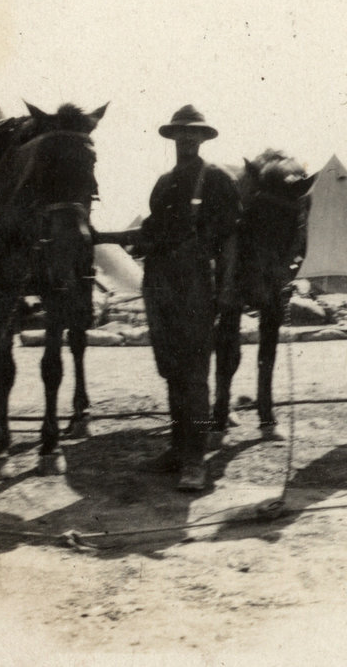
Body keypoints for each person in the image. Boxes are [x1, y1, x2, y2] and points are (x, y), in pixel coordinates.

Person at [122, 105, 240, 492]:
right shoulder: (163, 182)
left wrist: (224, 292)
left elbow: (230, 241)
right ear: (172, 138)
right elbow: (151, 231)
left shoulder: (218, 180)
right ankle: (176, 449)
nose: (187, 140)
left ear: (204, 139)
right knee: (171, 370)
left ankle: (195, 459)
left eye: (195, 134)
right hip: (159, 283)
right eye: (181, 134)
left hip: (195, 286)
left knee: (195, 374)